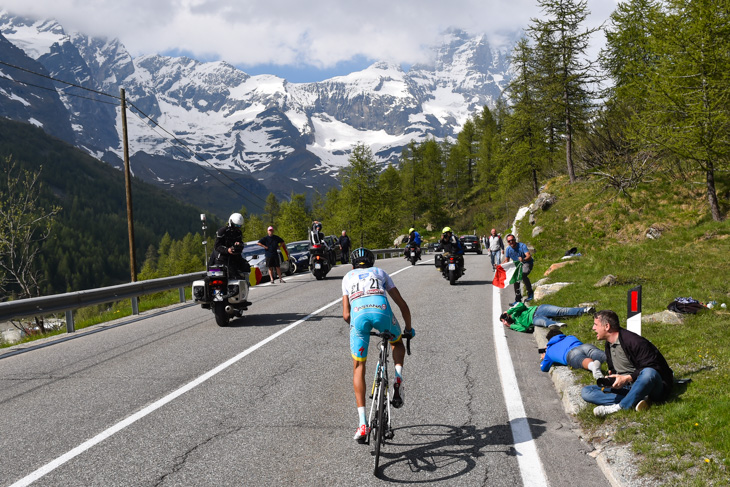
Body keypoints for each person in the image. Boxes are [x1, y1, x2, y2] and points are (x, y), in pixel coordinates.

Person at [342, 248, 414, 443]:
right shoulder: (380, 273)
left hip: (358, 318)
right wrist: (408, 328)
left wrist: (359, 329)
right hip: (382, 313)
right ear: (372, 262)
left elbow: (346, 315)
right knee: (396, 343)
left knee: (359, 366)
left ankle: (363, 424)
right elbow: (402, 304)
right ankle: (397, 379)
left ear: (353, 265)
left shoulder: (347, 277)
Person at [581, 310, 674, 417]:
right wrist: (613, 378)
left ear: (607, 326)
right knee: (587, 391)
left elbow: (654, 367)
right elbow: (615, 369)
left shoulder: (634, 341)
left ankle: (620, 406)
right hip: (627, 387)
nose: (593, 328)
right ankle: (637, 399)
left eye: (596, 325)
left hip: (653, 386)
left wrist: (627, 378)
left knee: (649, 373)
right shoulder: (609, 345)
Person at [540, 328, 606, 379]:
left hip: (571, 353)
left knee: (581, 359)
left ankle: (592, 365)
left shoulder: (549, 350)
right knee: (595, 353)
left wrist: (544, 357)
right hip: (583, 346)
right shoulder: (570, 337)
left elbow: (544, 368)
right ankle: (611, 360)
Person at [500, 302, 595, 332]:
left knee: (561, 311)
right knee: (544, 322)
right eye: (503, 320)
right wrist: (510, 325)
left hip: (538, 309)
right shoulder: (516, 324)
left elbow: (521, 305)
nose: (506, 319)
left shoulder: (514, 311)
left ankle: (585, 310)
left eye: (504, 317)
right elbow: (523, 329)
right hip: (534, 319)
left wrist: (508, 311)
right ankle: (558, 324)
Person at [209, 213, 251, 280]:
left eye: (239, 226)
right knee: (231, 275)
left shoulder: (238, 233)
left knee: (246, 268)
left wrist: (239, 244)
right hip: (222, 258)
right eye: (236, 225)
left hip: (234, 258)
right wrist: (227, 250)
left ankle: (244, 285)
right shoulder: (222, 231)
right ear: (231, 222)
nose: (237, 227)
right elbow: (217, 246)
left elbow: (241, 244)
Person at [503, 233, 534, 304]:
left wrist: (523, 259)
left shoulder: (522, 246)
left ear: (515, 240)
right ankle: (518, 299)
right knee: (515, 279)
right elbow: (506, 260)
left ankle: (530, 292)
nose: (511, 242)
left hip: (527, 263)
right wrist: (498, 266)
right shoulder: (508, 249)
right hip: (518, 265)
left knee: (523, 274)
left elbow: (529, 256)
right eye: (509, 241)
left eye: (512, 240)